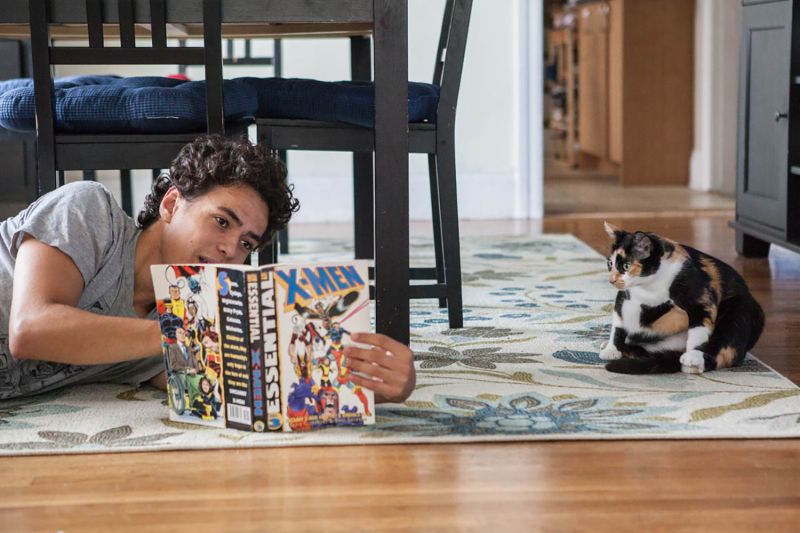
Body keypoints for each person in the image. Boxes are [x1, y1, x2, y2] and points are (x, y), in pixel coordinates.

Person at [0, 134, 416, 404]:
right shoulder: (90, 210)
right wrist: (189, 331)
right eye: (222, 221)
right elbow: (32, 329)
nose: (229, 251)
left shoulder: (182, 321)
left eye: (246, 243)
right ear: (170, 204)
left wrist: (381, 382)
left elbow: (251, 384)